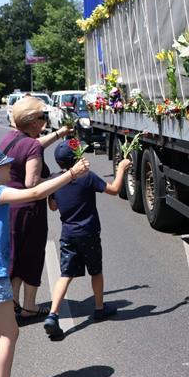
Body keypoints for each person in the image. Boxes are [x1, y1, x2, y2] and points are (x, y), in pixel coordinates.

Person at [0, 144, 89, 377]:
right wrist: (71, 174)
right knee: (10, 334)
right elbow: (35, 193)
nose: (11, 166)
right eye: (6, 164)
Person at [42, 142, 131, 339]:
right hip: (89, 232)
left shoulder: (56, 180)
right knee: (96, 271)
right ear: (77, 158)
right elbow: (115, 189)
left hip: (68, 234)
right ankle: (99, 308)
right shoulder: (87, 177)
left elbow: (53, 208)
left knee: (65, 274)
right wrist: (122, 168)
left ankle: (53, 314)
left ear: (58, 162)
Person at [0, 97, 70, 319]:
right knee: (31, 257)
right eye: (42, 117)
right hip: (29, 211)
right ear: (32, 122)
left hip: (10, 208)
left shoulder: (10, 138)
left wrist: (60, 133)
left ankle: (13, 304)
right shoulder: (32, 146)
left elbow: (34, 145)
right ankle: (29, 306)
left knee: (14, 257)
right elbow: (32, 183)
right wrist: (61, 177)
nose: (45, 121)